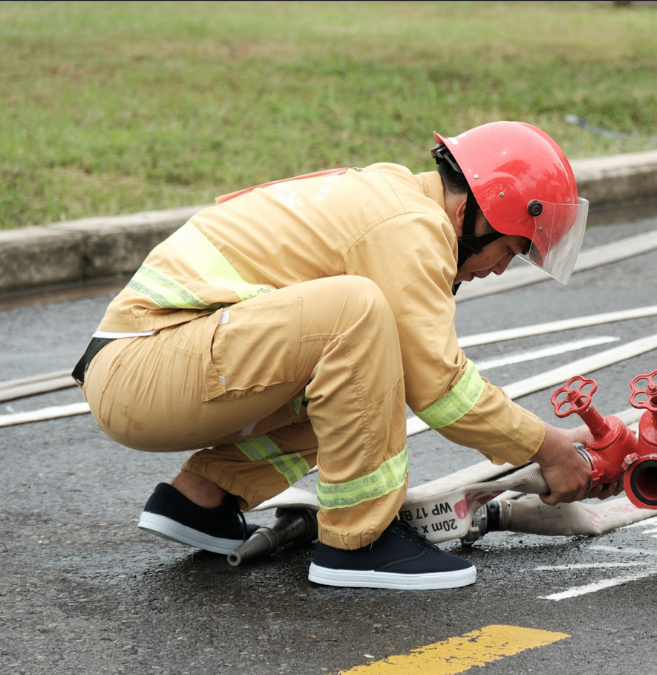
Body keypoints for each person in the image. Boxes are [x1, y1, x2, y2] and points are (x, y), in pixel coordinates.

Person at [73, 121, 618, 591]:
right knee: (358, 313)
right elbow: (439, 387)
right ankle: (359, 543)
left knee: (361, 372)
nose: (498, 268)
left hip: (147, 364)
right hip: (145, 368)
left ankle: (202, 499)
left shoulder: (395, 198)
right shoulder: (413, 227)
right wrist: (550, 449)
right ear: (473, 213)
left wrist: (550, 443)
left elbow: (396, 377)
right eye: (510, 249)